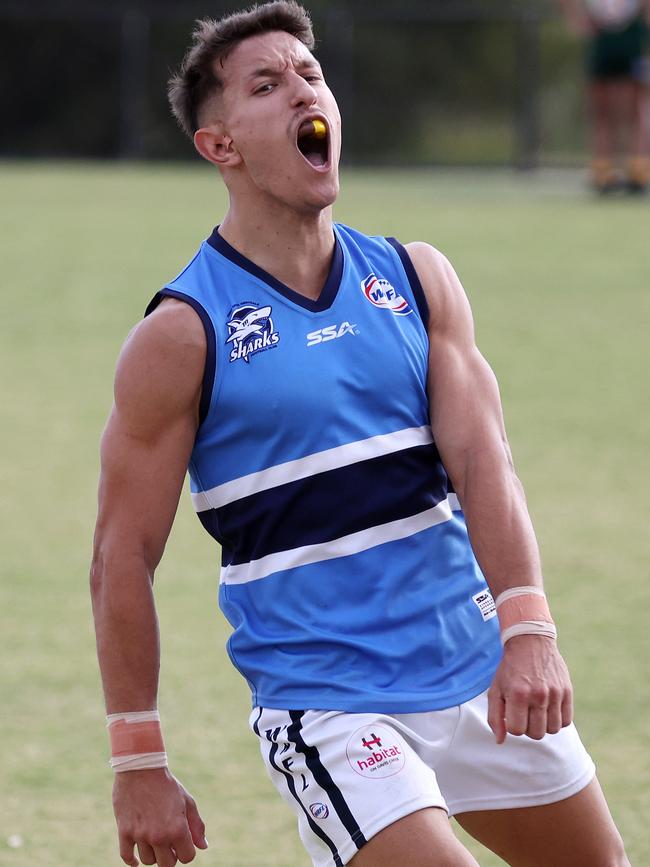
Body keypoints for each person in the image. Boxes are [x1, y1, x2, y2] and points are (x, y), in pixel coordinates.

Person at [90, 3, 631, 866]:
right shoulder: (183, 332)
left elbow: (484, 462)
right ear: (220, 145)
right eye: (266, 84)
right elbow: (122, 552)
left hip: (476, 668)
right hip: (332, 706)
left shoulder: (417, 277)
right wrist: (138, 760)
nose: (303, 86)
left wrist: (530, 630)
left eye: (309, 70)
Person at [560, 0, 650, 192]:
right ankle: (604, 171)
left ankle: (636, 170)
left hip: (632, 35)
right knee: (602, 111)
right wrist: (577, 19)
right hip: (605, 37)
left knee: (635, 108)